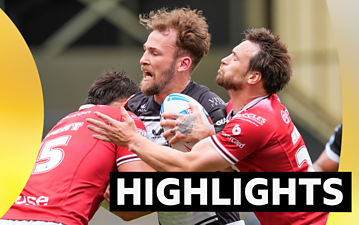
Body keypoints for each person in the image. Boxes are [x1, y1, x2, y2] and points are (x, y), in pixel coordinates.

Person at [87, 28, 329, 225]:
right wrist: (211, 135)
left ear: (253, 77)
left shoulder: (256, 121)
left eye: (235, 58)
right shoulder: (244, 112)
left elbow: (188, 166)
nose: (224, 59)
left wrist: (132, 140)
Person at [105, 6, 242, 225]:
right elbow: (129, 209)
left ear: (183, 63)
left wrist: (208, 141)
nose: (143, 59)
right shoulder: (133, 108)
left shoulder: (208, 106)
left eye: (154, 53)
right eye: (145, 50)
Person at [0, 70, 154, 225]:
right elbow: (137, 198)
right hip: (54, 219)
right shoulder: (123, 119)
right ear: (129, 103)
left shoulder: (62, 124)